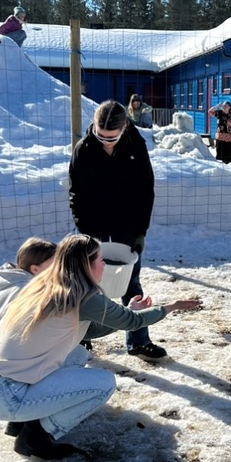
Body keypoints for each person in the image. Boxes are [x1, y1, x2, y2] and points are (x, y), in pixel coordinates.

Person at [0, 234, 202, 459]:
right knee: (103, 384)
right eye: (101, 260)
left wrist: (129, 311)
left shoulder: (53, 287)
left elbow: (91, 330)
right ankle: (36, 437)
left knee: (76, 353)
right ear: (86, 265)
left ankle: (23, 421)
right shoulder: (83, 295)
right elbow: (133, 322)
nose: (105, 265)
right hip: (6, 393)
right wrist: (171, 306)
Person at [68, 101, 169, 359]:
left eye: (111, 137)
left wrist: (140, 231)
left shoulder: (136, 146)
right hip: (94, 225)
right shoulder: (84, 150)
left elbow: (146, 190)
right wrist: (86, 233)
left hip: (127, 224)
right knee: (86, 284)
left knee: (130, 281)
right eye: (100, 135)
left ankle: (138, 341)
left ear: (124, 127)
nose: (105, 141)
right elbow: (76, 194)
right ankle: (78, 339)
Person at [208, 101, 231, 165]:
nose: (224, 107)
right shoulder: (219, 113)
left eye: (226, 106)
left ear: (229, 107)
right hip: (220, 137)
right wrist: (218, 106)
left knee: (228, 155)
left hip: (229, 138)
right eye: (223, 106)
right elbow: (210, 112)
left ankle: (228, 168)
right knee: (220, 154)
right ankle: (219, 168)